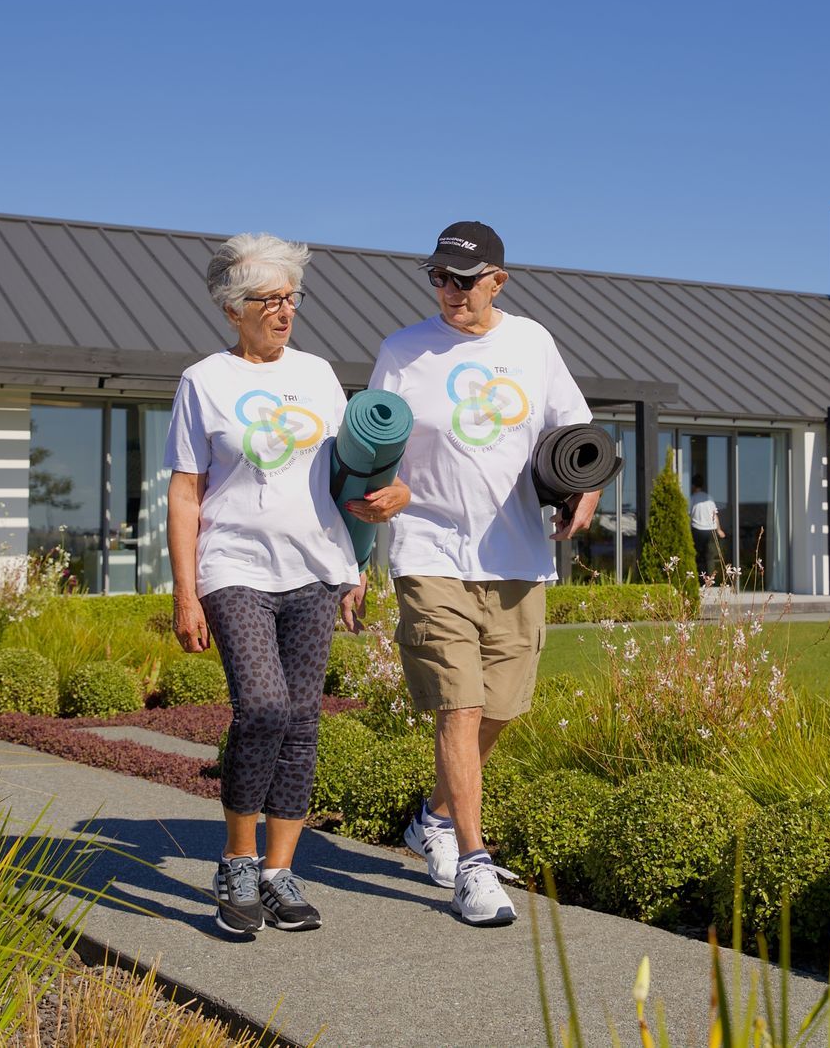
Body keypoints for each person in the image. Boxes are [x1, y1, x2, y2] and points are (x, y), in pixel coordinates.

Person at [166, 232, 409, 936]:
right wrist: (184, 591)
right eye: (268, 300)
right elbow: (186, 492)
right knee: (265, 706)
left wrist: (368, 540)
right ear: (231, 308)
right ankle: (236, 860)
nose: (284, 311)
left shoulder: (319, 373)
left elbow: (350, 476)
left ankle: (278, 871)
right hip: (234, 566)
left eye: (291, 297)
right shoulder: (204, 381)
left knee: (303, 720)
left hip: (316, 567)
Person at [371, 220, 599, 926]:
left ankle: (434, 816)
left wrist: (585, 492)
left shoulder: (532, 344)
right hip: (430, 549)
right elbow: (372, 443)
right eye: (438, 277)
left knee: (500, 707)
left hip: (516, 556)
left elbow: (576, 432)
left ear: (498, 280)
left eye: (463, 280)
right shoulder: (403, 351)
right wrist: (378, 506)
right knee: (459, 705)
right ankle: (472, 863)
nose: (449, 292)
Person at [690, 485, 725, 582]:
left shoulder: (693, 498)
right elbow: (715, 515)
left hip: (698, 530)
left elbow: (689, 514)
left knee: (699, 556)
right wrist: (719, 530)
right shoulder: (709, 498)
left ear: (693, 486)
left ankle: (701, 580)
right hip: (711, 530)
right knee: (709, 556)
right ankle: (711, 580)